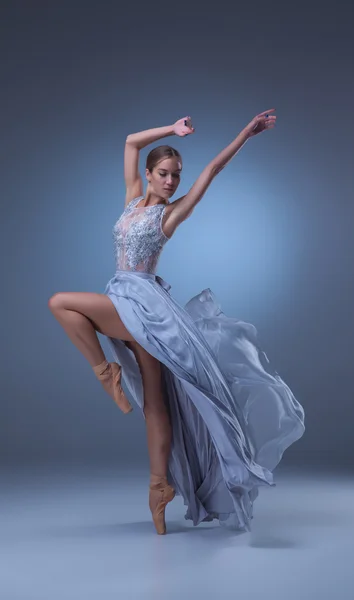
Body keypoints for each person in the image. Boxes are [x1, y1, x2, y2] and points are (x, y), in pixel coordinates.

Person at [48, 110, 305, 535]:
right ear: (149, 175)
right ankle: (159, 488)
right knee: (156, 404)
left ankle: (107, 373)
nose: (171, 181)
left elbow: (214, 169)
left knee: (62, 302)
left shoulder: (171, 214)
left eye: (176, 175)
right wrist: (171, 129)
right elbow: (131, 140)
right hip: (127, 298)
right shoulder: (132, 198)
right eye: (164, 173)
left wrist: (246, 132)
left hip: (144, 306)